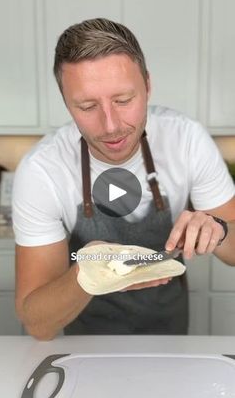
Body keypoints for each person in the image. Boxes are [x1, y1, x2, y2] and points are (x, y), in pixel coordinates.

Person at [12, 18, 235, 340]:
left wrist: (219, 229)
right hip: (84, 348)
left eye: (124, 101)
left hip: (172, 339)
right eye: (87, 106)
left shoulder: (187, 140)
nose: (111, 125)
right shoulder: (43, 170)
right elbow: (38, 324)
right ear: (66, 104)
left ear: (148, 85)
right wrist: (87, 274)